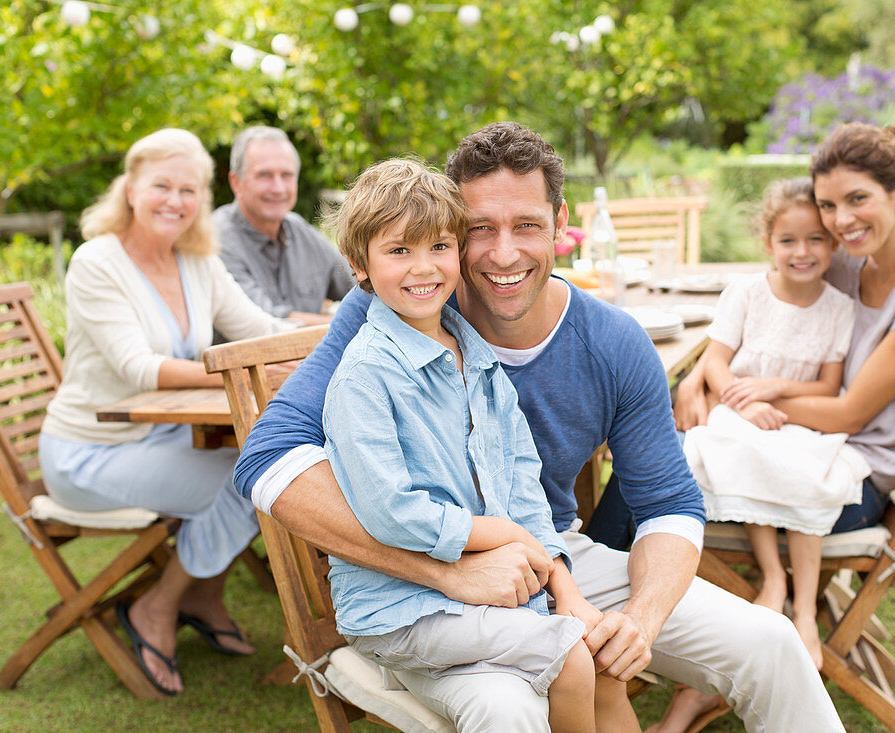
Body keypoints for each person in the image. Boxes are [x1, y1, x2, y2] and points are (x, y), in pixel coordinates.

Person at [233, 122, 842, 732]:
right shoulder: (393, 314)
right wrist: (450, 571)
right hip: (416, 581)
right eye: (479, 230)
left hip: (545, 549)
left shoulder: (611, 342)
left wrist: (643, 619)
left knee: (771, 640)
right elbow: (269, 461)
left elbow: (668, 504)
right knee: (513, 704)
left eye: (526, 225)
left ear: (560, 222)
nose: (503, 253)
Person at [664, 122, 895, 729]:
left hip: (855, 481)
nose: (838, 221)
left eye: (857, 199)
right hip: (802, 448)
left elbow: (850, 410)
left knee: (653, 482)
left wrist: (742, 404)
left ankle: (675, 649)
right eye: (828, 204)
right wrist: (699, 379)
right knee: (663, 460)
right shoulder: (852, 264)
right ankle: (712, 646)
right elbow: (768, 312)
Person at [323, 157, 637, 732]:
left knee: (602, 655)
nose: (424, 269)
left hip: (490, 592)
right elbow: (393, 513)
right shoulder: (363, 377)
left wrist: (563, 586)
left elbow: (522, 484)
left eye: (439, 246)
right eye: (399, 252)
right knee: (574, 655)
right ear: (357, 263)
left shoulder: (478, 358)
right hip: (402, 609)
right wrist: (508, 538)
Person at [39, 128, 289, 695]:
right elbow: (138, 367)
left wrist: (334, 342)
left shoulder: (197, 261)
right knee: (248, 475)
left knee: (269, 459)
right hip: (93, 454)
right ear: (129, 188)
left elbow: (263, 330)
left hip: (166, 440)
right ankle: (161, 605)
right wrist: (244, 366)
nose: (174, 200)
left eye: (188, 189)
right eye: (161, 185)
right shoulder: (96, 262)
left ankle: (202, 593)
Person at [683, 177, 867, 671]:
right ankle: (773, 578)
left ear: (832, 244)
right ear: (768, 244)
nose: (801, 252)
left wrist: (775, 389)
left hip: (797, 420)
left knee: (804, 468)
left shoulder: (839, 308)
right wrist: (743, 402)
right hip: (740, 415)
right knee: (747, 452)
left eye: (815, 240)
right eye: (788, 240)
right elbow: (717, 363)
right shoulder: (746, 292)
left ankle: (804, 610)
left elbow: (829, 388)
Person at [214, 126, 355, 326]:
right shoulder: (216, 239)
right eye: (264, 175)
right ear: (236, 182)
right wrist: (345, 325)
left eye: (287, 175)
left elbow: (359, 282)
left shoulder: (300, 230)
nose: (278, 188)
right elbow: (266, 320)